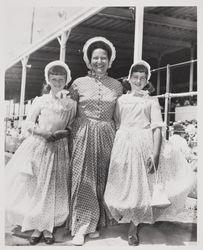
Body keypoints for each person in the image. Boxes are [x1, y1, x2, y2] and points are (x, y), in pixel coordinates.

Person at [104, 60, 195, 246]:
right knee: (123, 183)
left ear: (147, 81)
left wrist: (154, 153)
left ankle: (134, 225)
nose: (138, 80)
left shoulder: (151, 101)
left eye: (142, 78)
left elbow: (156, 128)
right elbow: (118, 123)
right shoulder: (121, 100)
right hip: (124, 144)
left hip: (143, 143)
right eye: (135, 77)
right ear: (128, 79)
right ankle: (124, 215)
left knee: (141, 186)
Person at [5, 60, 77, 245]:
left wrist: (65, 132)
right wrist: (42, 132)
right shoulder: (41, 100)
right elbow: (27, 123)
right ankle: (38, 226)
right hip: (40, 145)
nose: (58, 83)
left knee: (54, 187)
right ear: (49, 80)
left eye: (61, 80)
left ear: (66, 81)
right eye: (54, 80)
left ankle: (48, 227)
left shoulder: (70, 103)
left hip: (59, 147)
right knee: (39, 187)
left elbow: (72, 124)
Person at [68, 37, 123, 245]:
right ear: (88, 61)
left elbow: (120, 113)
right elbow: (69, 112)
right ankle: (81, 226)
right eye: (95, 58)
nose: (99, 61)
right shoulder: (78, 84)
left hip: (108, 134)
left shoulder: (117, 86)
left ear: (109, 61)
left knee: (102, 178)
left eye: (103, 58)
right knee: (84, 179)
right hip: (83, 133)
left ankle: (96, 222)